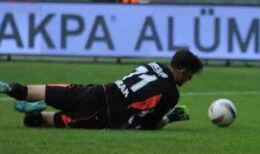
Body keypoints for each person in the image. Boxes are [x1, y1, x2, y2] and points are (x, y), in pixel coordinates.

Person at [0, 50, 203, 130]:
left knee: (26, 89)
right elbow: (147, 124)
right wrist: (171, 118)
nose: (190, 79)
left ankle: (11, 88)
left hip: (96, 91)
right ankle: (38, 113)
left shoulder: (153, 64)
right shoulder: (171, 93)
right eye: (190, 75)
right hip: (102, 115)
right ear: (183, 71)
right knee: (43, 121)